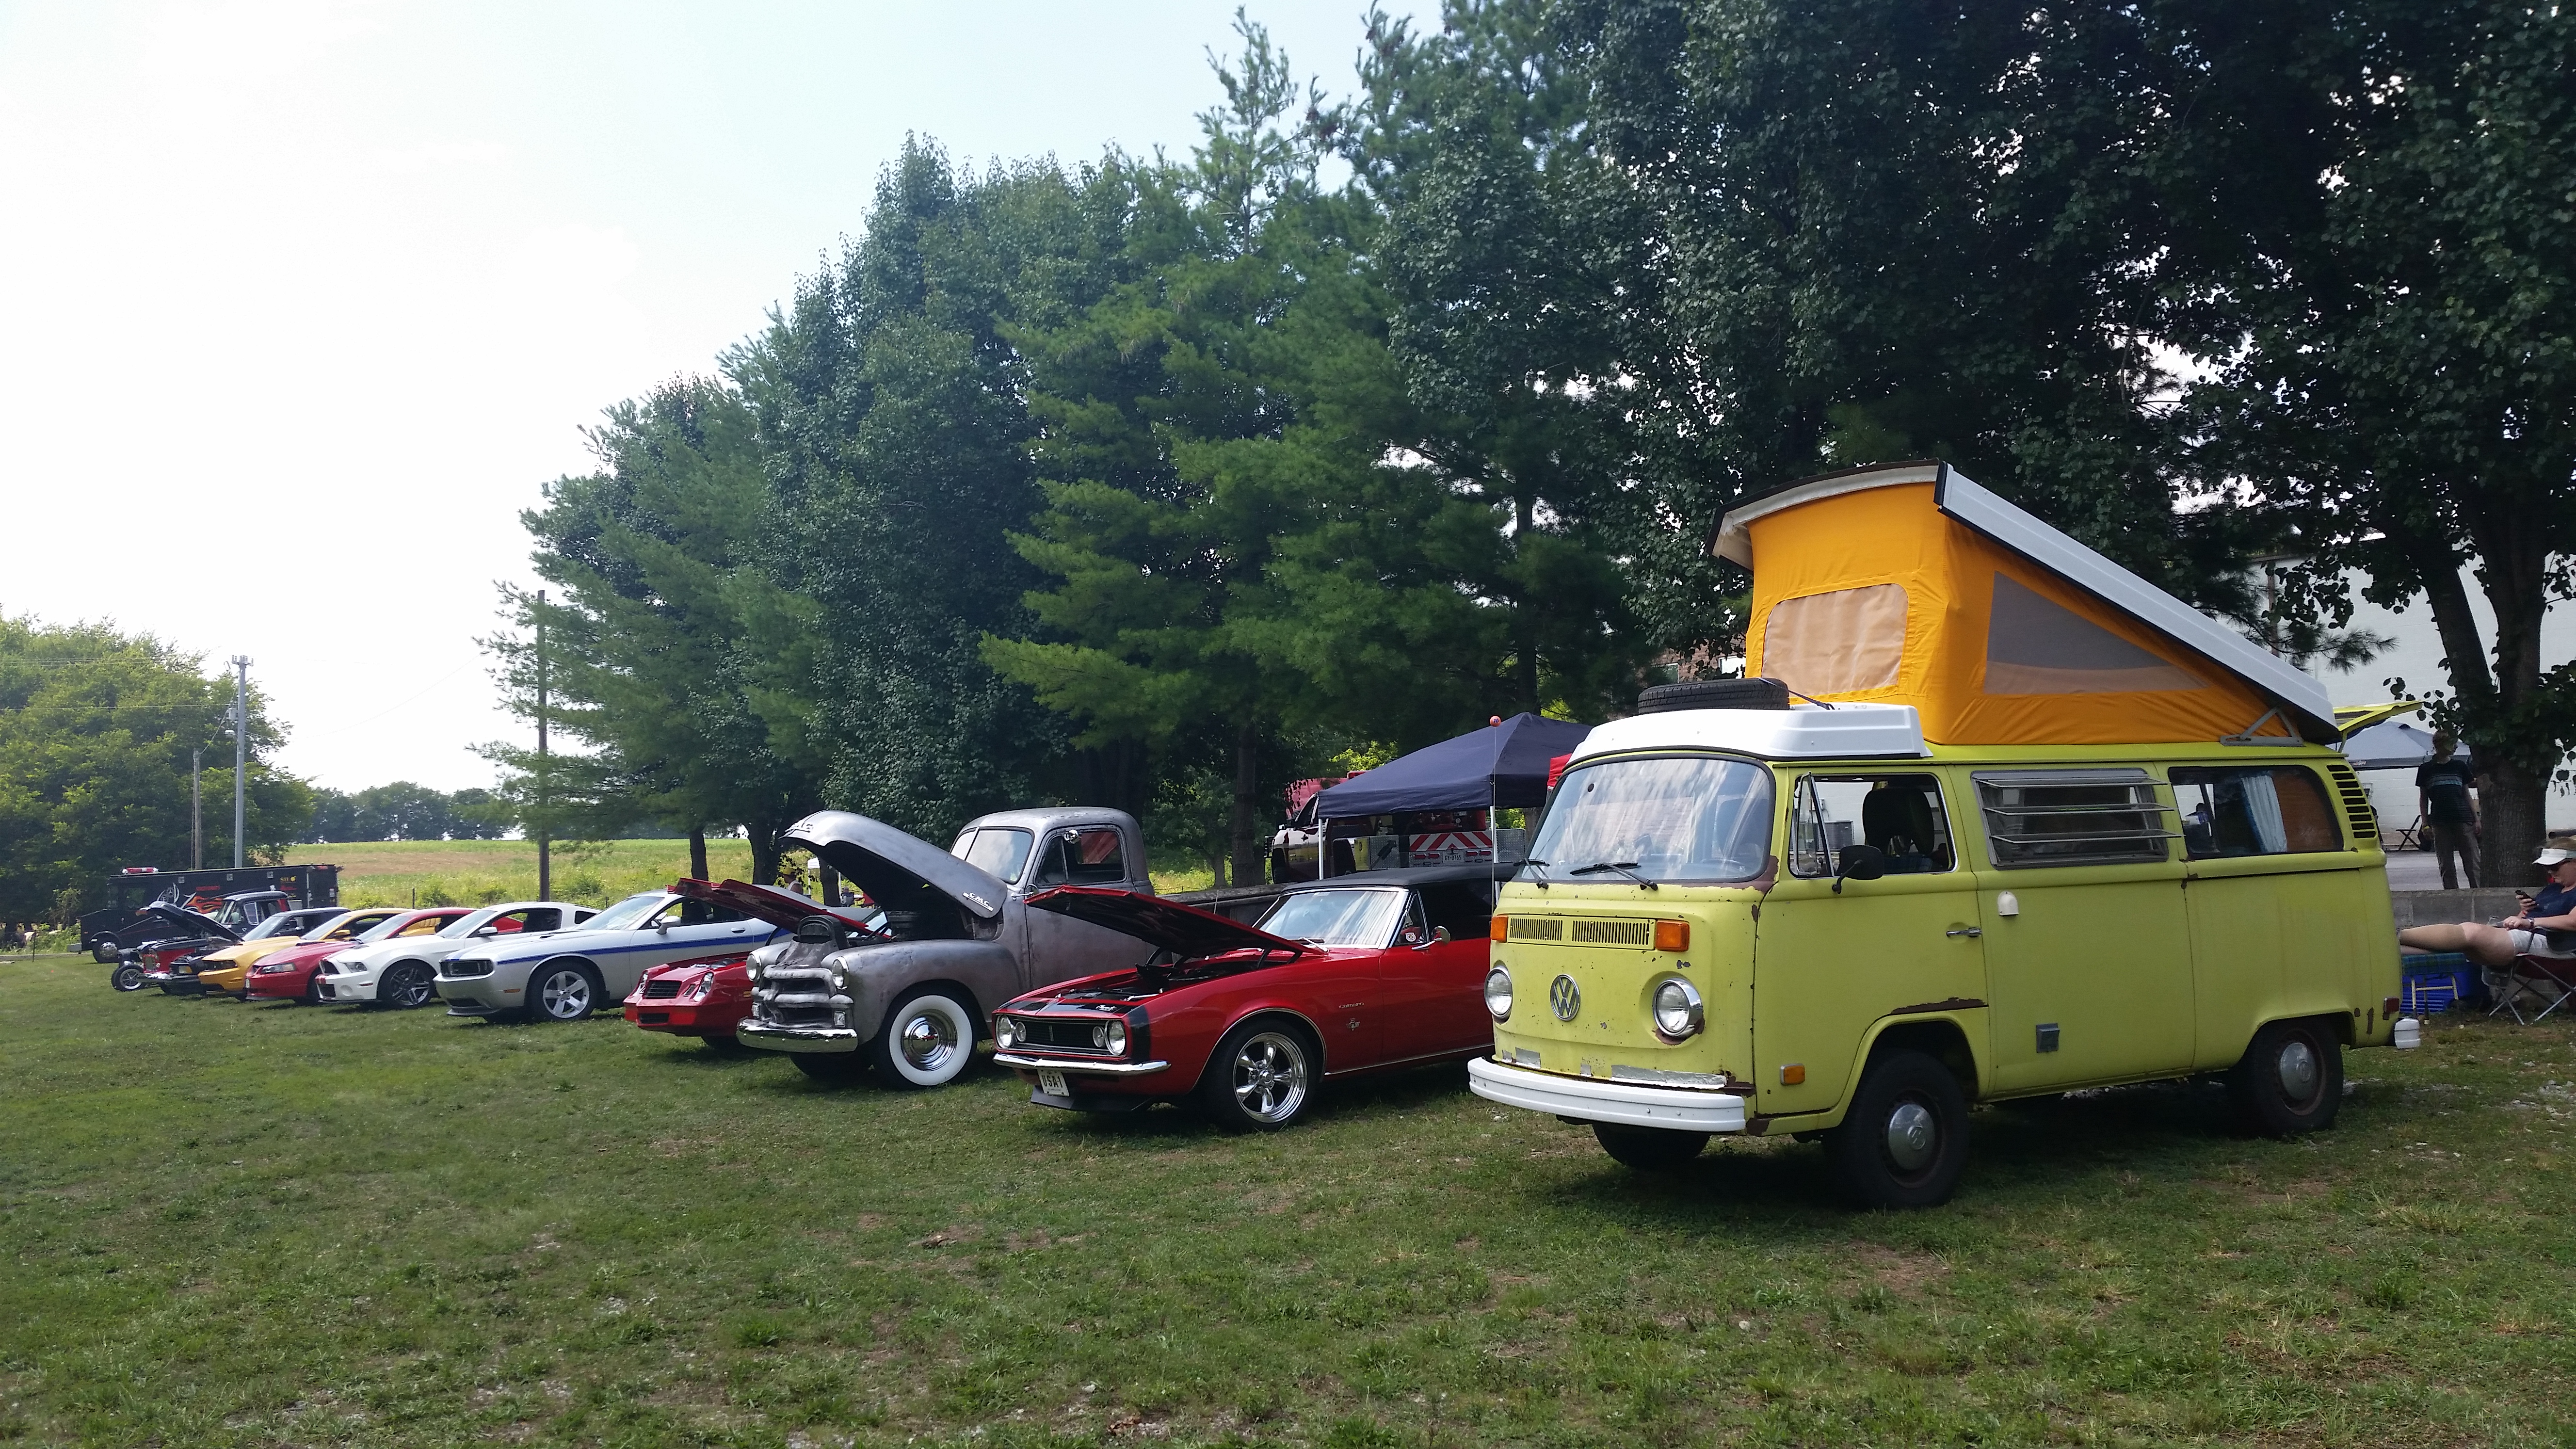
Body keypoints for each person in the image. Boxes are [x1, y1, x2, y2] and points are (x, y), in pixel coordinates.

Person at [2397, 847, 2576, 966]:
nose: (2550, 870)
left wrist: (2530, 922)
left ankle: (2396, 935)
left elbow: (2573, 922)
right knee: (2458, 944)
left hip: (2557, 946)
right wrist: (2524, 912)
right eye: (2546, 867)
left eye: (2555, 866)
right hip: (2527, 939)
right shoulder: (2553, 889)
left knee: (2471, 932)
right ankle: (2386, 945)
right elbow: (2521, 922)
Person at [2415, 735, 2481, 889]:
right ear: (2440, 744)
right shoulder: (2426, 769)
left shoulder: (2459, 766)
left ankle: (2478, 892)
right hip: (2440, 821)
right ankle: (2452, 894)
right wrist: (2425, 823)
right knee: (2446, 863)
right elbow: (2423, 798)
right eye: (2452, 743)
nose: (2456, 747)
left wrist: (2476, 819)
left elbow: (2467, 794)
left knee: (2473, 861)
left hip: (2463, 818)